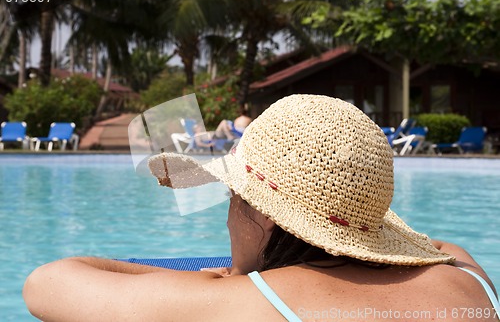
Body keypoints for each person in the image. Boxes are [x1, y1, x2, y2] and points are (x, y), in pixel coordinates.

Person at [23, 94, 499, 322]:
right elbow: (431, 245)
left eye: (233, 195)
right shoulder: (470, 277)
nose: (228, 214)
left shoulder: (250, 303)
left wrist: (220, 274)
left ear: (264, 211)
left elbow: (45, 284)